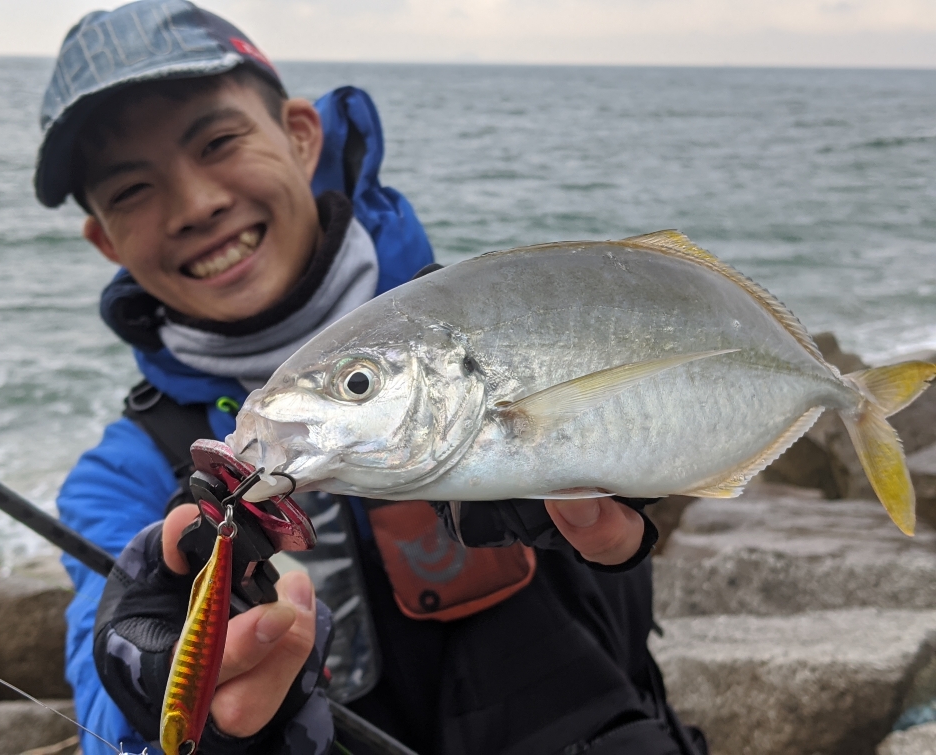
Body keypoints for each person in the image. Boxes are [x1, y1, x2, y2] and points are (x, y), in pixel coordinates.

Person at [38, 2, 705, 754]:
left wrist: (654, 443)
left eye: (218, 140)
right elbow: (104, 710)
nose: (197, 204)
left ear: (299, 135)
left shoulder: (508, 324)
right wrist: (166, 699)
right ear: (104, 238)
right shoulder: (117, 479)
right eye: (131, 190)